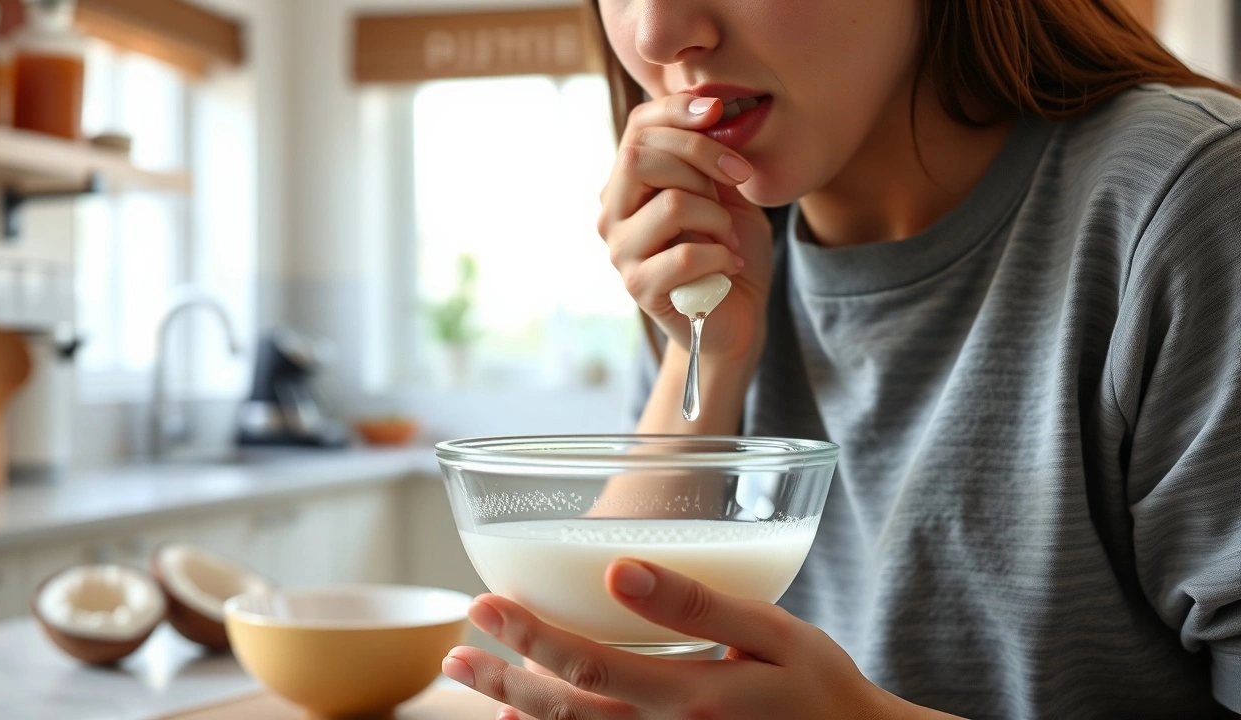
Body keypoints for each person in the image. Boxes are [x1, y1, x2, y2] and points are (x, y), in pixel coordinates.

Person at [442, 1, 1241, 717]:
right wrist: (711, 358)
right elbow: (605, 666)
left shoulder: (1187, 205)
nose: (657, 33)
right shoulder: (718, 251)